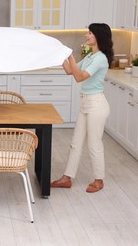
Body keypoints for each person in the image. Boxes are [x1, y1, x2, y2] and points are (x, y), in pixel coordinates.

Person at [51, 23, 113, 193]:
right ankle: (67, 178)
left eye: (90, 33)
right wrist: (61, 54)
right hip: (86, 104)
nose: (87, 36)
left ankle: (99, 180)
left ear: (98, 37)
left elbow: (79, 78)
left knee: (94, 144)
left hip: (97, 106)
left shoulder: (100, 58)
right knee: (76, 143)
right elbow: (70, 71)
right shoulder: (90, 56)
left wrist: (70, 55)